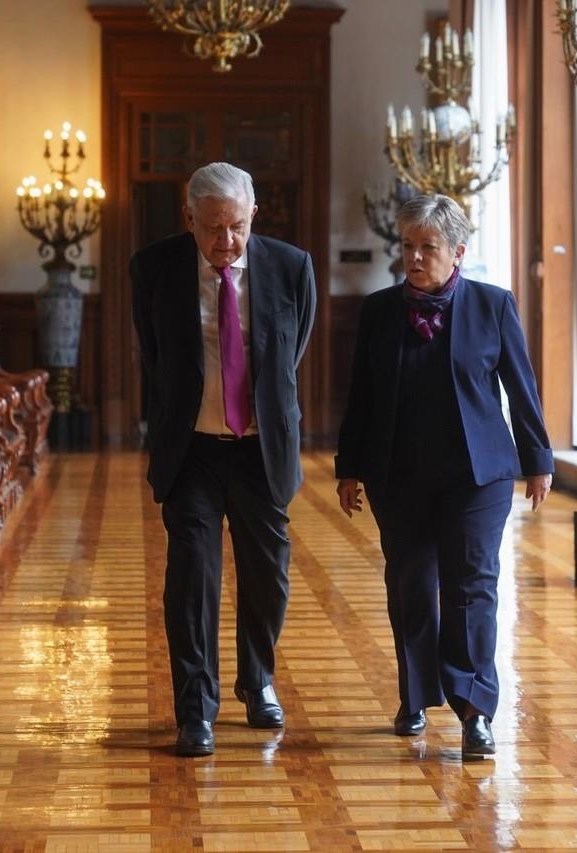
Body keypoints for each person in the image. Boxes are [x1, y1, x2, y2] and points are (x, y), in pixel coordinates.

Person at [334, 194, 553, 760]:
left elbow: (520, 388)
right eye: (406, 246)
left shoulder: (492, 305)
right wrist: (349, 468)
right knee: (409, 586)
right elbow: (360, 395)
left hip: (475, 477)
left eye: (427, 247)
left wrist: (539, 460)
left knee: (471, 587)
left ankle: (475, 709)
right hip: (397, 473)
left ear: (457, 251)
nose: (413, 257)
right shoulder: (380, 311)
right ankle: (415, 696)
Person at [131, 162, 315, 757]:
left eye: (236, 227)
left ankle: (256, 679)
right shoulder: (155, 268)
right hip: (193, 452)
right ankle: (196, 709)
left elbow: (292, 351)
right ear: (189, 219)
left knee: (269, 579)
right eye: (212, 229)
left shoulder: (291, 267)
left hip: (261, 451)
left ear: (252, 216)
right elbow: (155, 356)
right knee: (191, 580)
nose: (225, 242)